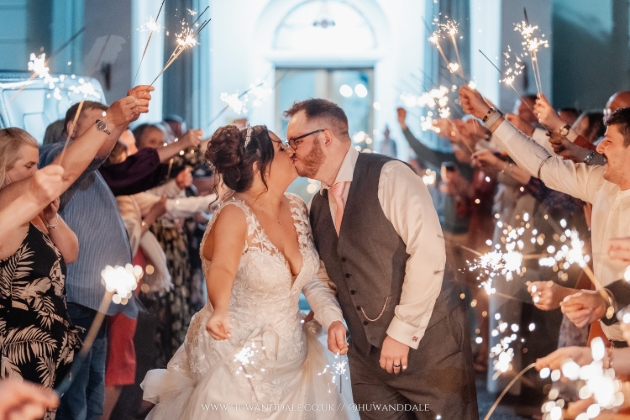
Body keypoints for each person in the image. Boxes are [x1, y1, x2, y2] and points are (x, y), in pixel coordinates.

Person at [285, 99, 478, 419]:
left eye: (297, 141)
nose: (291, 150)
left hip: (432, 350)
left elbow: (429, 254)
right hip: (364, 361)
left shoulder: (391, 175)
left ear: (326, 138)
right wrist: (331, 315)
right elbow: (322, 274)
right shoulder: (317, 205)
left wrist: (401, 334)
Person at [141, 124, 349, 419]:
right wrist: (220, 309)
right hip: (237, 357)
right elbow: (223, 267)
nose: (290, 151)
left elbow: (311, 277)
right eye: (280, 148)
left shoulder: (297, 206)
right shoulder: (234, 214)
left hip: (294, 356)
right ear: (257, 165)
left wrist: (333, 319)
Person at [459, 85, 630, 348]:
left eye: (609, 141)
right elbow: (543, 165)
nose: (600, 148)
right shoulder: (600, 183)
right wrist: (489, 116)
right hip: (609, 339)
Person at [38, 87, 152, 420]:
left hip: (93, 300)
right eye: (97, 122)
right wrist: (115, 119)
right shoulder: (57, 156)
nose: (107, 129)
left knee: (91, 391)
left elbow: (103, 154)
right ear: (73, 128)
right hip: (74, 299)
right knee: (72, 400)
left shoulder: (93, 168)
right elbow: (91, 154)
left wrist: (120, 120)